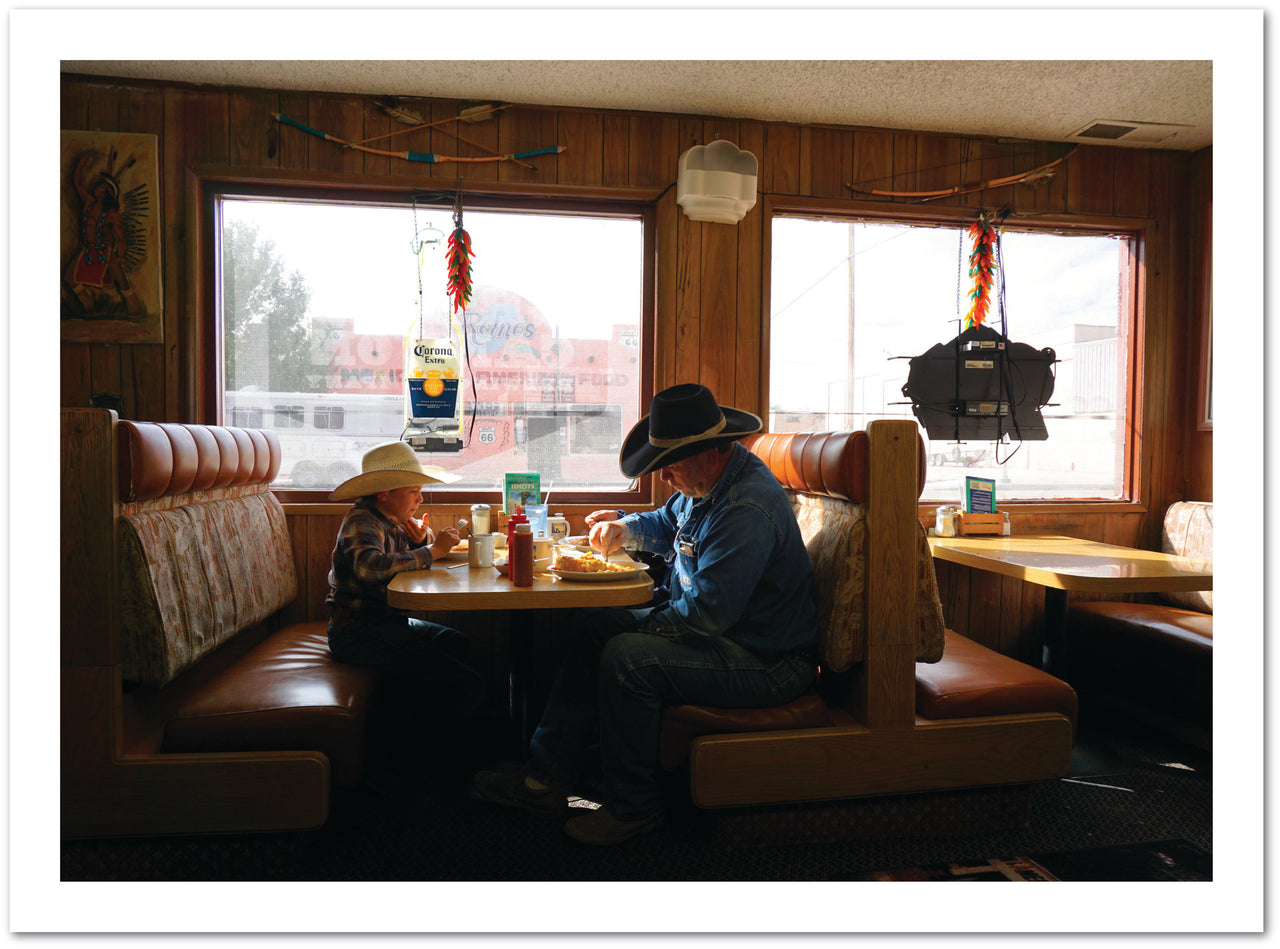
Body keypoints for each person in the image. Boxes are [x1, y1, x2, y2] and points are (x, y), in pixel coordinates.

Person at [473, 383, 818, 845]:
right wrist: (624, 526)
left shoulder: (745, 508)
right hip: (727, 637)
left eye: (671, 466)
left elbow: (704, 619)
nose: (666, 478)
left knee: (626, 656)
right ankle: (546, 778)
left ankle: (633, 807)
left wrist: (638, 623)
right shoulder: (708, 483)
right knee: (596, 625)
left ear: (709, 454)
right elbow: (666, 520)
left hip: (766, 661)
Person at [326, 441, 485, 775]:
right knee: (459, 679)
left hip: (386, 624)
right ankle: (449, 764)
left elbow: (395, 565)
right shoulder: (362, 521)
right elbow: (369, 568)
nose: (420, 499)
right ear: (384, 492)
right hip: (357, 632)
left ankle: (441, 749)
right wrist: (433, 552)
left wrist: (416, 542)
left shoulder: (388, 520)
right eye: (413, 491)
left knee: (457, 644)